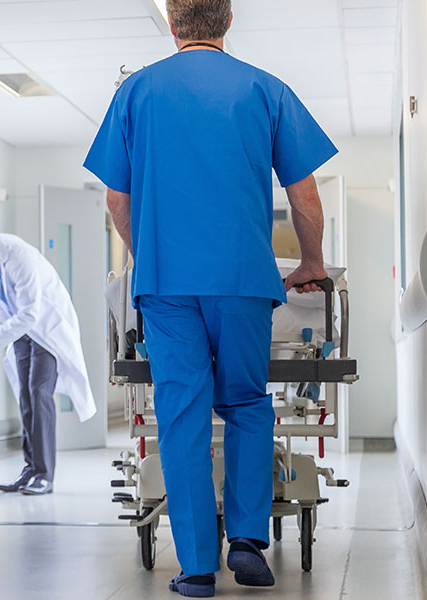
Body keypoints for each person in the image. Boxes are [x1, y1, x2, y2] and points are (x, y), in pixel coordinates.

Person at [83, 1, 335, 597]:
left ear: (172, 25)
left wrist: (150, 256)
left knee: (181, 415)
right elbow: (304, 197)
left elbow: (117, 202)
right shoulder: (265, 89)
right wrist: (313, 262)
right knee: (247, 403)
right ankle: (247, 540)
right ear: (226, 23)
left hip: (167, 285)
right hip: (244, 279)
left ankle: (196, 567)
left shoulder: (136, 91)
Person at [0, 220, 96, 496]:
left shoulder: (19, 257)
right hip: (21, 333)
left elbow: (31, 314)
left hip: (45, 331)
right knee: (26, 400)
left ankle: (44, 475)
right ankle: (30, 469)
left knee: (39, 395)